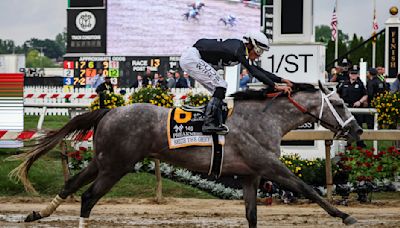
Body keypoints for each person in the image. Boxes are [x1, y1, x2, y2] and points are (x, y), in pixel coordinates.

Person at [180, 31, 293, 134]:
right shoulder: (239, 50)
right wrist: (275, 86)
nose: (259, 55)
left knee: (218, 91)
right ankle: (208, 124)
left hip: (192, 57)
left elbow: (258, 70)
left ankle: (211, 120)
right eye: (259, 51)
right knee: (221, 85)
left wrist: (280, 80)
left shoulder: (240, 49)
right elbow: (254, 72)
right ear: (251, 44)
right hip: (192, 58)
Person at [337, 66, 368, 148]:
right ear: (349, 74)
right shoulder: (344, 83)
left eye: (355, 74)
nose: (354, 75)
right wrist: (340, 101)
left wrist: (360, 101)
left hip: (357, 108)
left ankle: (360, 143)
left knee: (358, 125)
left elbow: (365, 95)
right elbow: (337, 93)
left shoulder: (360, 84)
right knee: (347, 126)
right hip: (346, 108)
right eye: (352, 74)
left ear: (357, 75)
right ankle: (348, 143)